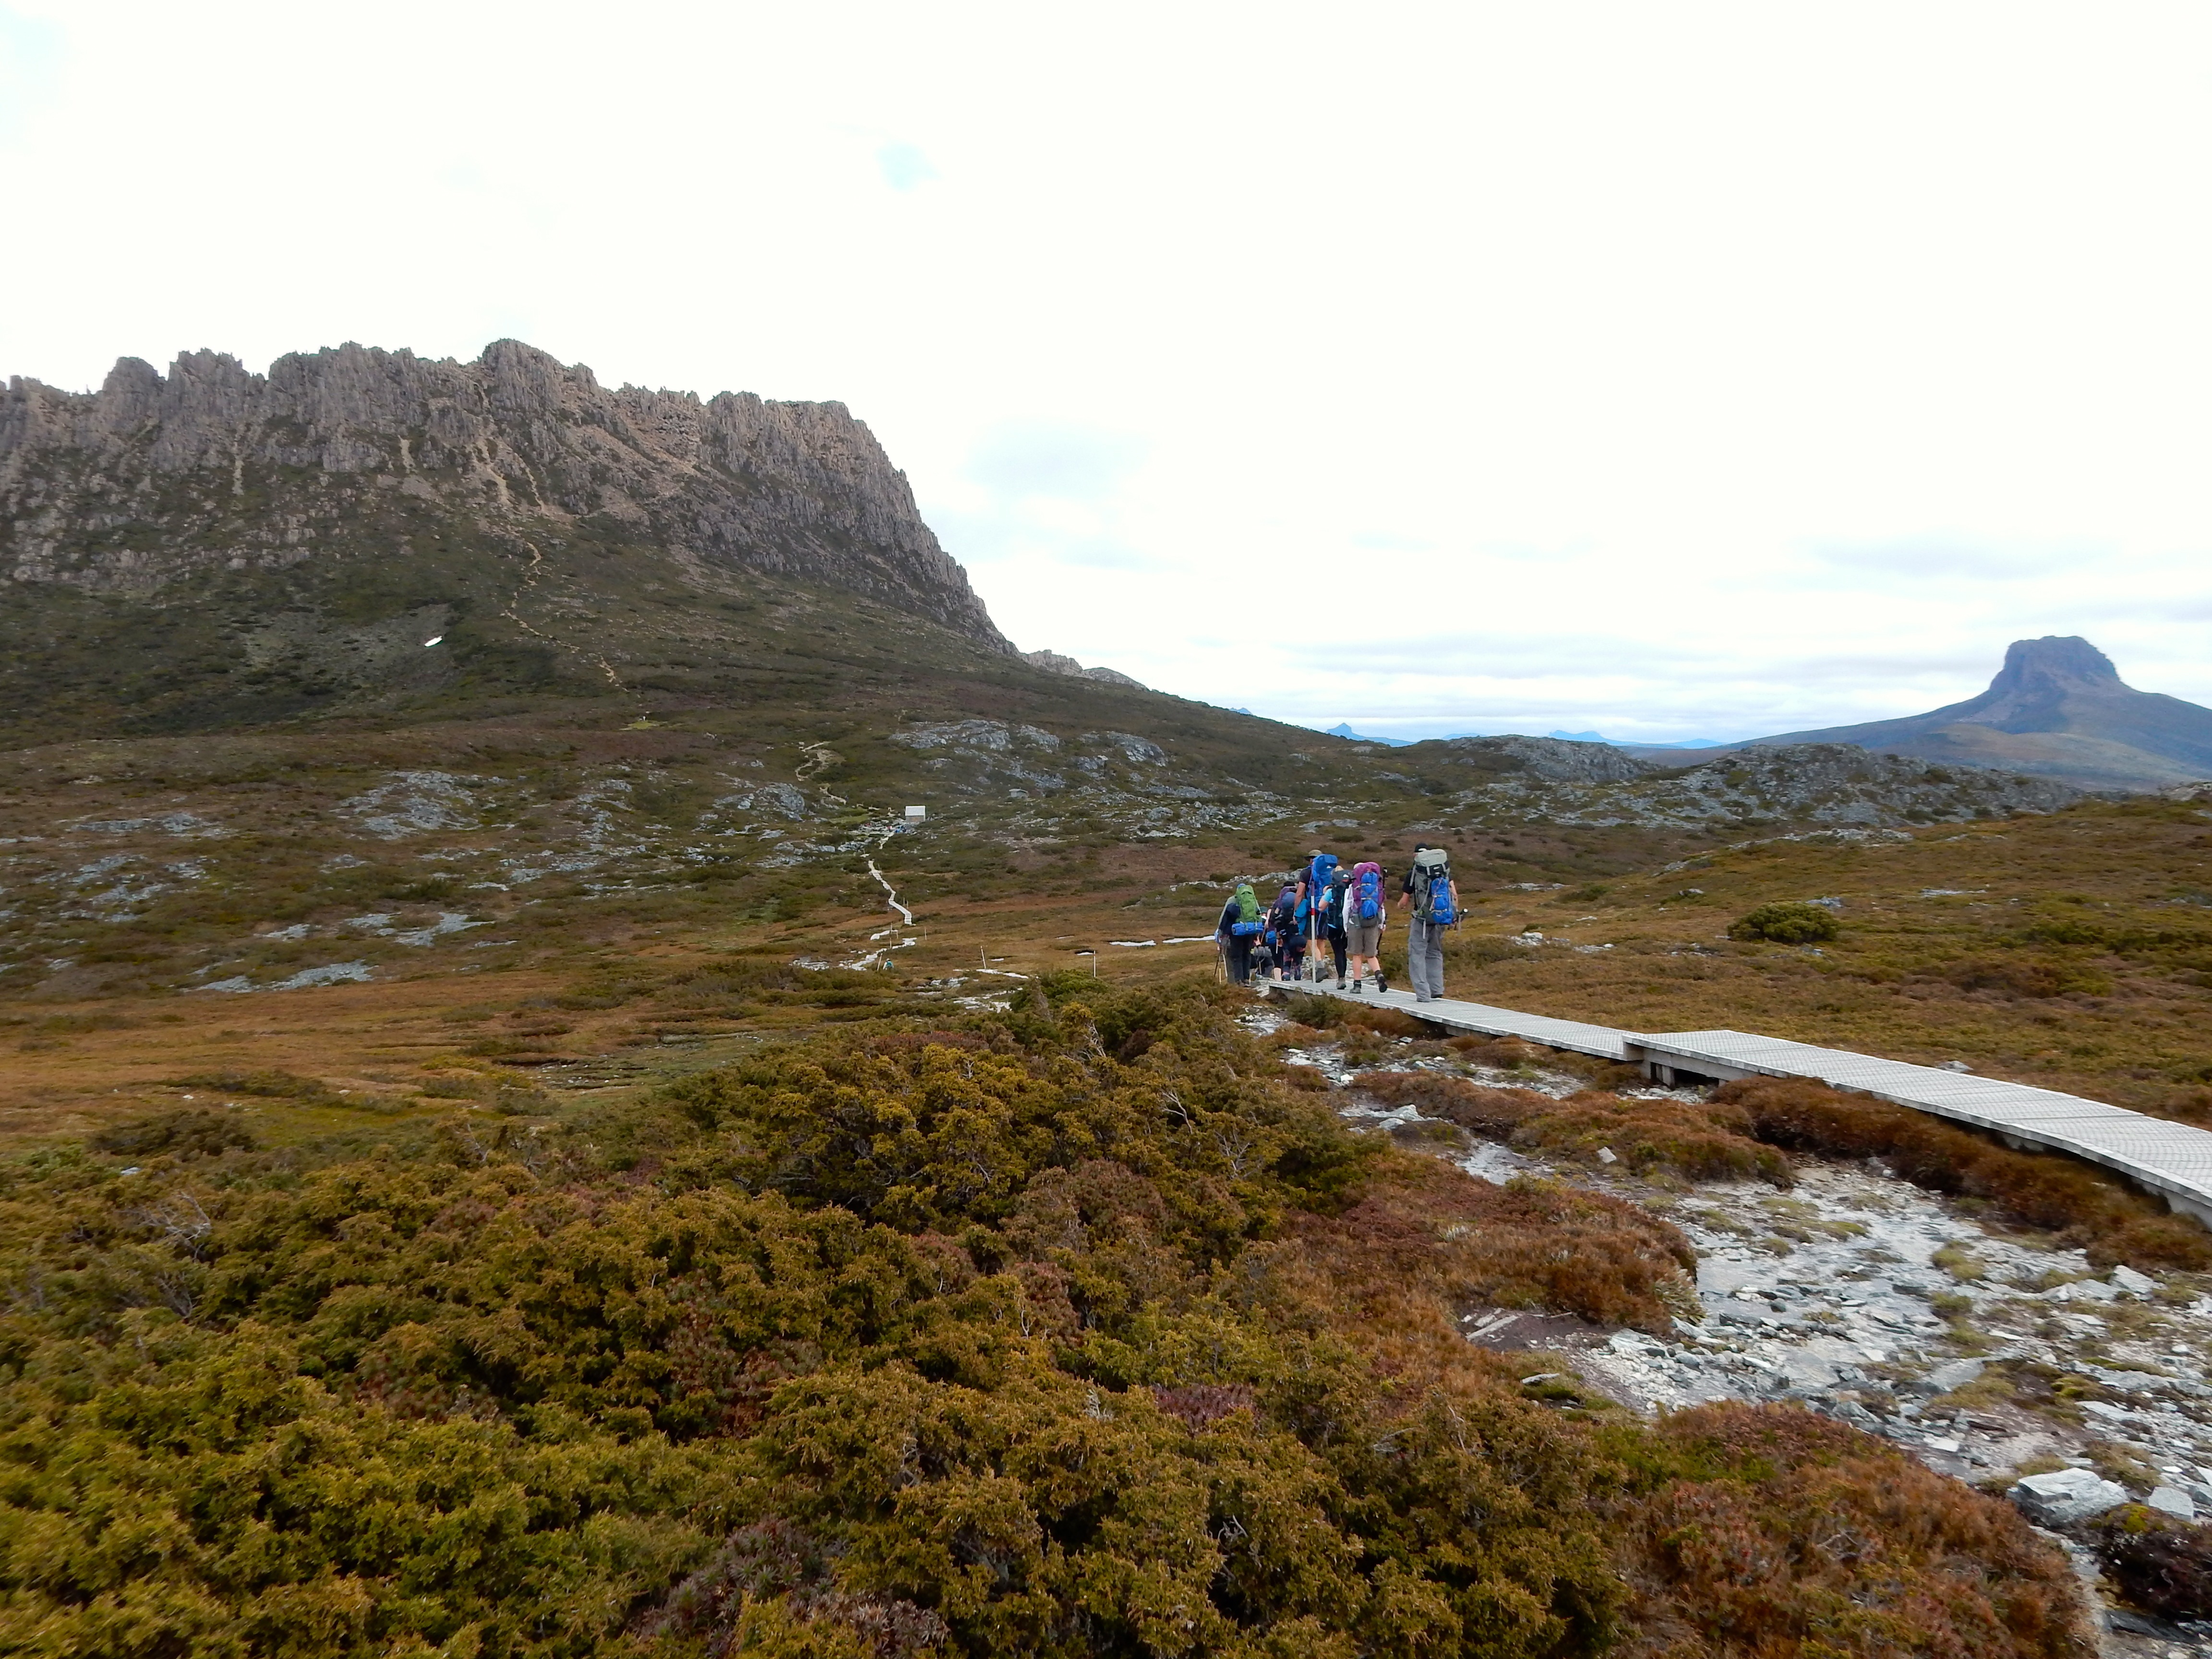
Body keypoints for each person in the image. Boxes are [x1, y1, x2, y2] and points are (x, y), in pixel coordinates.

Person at [1395, 842, 1459, 1002]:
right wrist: (1453, 916)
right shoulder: (1443, 871)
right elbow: (1454, 894)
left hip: (1421, 919)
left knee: (1417, 954)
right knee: (1435, 952)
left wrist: (1400, 906)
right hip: (1440, 917)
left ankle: (1423, 994)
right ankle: (1437, 989)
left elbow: (1404, 901)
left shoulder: (1415, 873)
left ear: (1416, 855)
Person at [1342, 858, 1387, 992]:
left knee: (1357, 955)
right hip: (1373, 922)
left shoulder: (1353, 887)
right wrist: (1382, 923)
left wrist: (1346, 927)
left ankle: (1357, 985)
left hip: (1356, 923)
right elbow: (1381, 906)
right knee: (1371, 955)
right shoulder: (1377, 887)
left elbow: (1347, 908)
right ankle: (1379, 974)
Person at [1216, 881, 1264, 985]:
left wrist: (1220, 932)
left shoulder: (1232, 900)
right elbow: (1258, 915)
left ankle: (1239, 980)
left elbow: (1223, 918)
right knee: (1247, 954)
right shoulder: (1253, 899)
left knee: (1237, 956)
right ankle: (1247, 979)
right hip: (1250, 931)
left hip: (1237, 932)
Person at [1267, 882, 1302, 982]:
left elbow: (1274, 920)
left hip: (1286, 935)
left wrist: (1278, 936)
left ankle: (1286, 974)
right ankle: (1298, 971)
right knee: (1298, 955)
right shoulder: (1299, 900)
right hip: (1300, 936)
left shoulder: (1280, 902)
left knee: (1287, 954)